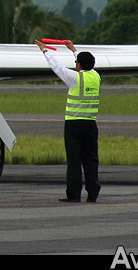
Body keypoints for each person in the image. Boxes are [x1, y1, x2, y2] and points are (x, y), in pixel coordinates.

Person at [34, 39, 101, 203]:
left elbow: (57, 67)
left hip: (73, 124)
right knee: (91, 160)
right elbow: (85, 62)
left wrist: (45, 50)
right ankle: (93, 194)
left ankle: (74, 195)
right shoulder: (96, 76)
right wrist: (73, 49)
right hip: (91, 124)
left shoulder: (74, 78)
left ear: (78, 65)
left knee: (74, 161)